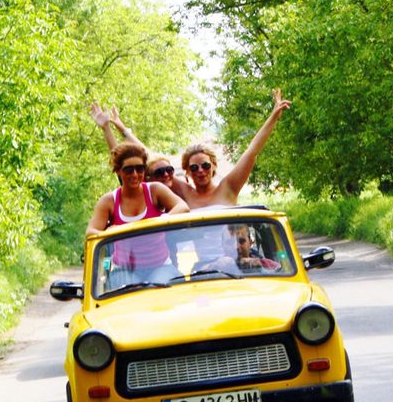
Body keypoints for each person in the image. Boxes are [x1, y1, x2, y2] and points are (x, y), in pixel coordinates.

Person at [87, 89, 291, 209]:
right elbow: (141, 160)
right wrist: (116, 129)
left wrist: (273, 116)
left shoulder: (229, 187)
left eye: (205, 165)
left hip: (233, 262)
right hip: (201, 266)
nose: (200, 171)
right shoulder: (183, 191)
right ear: (186, 171)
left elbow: (251, 151)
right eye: (194, 168)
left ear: (213, 167)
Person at [86, 142, 189, 284]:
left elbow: (182, 207)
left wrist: (162, 220)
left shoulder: (154, 190)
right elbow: (90, 232)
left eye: (139, 169)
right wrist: (109, 232)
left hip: (160, 266)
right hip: (124, 268)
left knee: (158, 290)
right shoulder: (109, 201)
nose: (135, 174)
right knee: (130, 292)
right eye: (128, 170)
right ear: (118, 171)